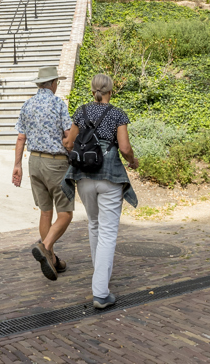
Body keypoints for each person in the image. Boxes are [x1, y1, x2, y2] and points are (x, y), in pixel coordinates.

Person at [62, 73, 139, 310]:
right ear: (110, 91)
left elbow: (68, 143)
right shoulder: (117, 113)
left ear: (93, 89)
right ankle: (101, 293)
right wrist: (133, 161)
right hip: (109, 176)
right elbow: (124, 147)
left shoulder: (80, 111)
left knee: (94, 225)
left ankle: (100, 278)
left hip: (83, 176)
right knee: (107, 232)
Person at [12, 65, 74, 282]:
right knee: (65, 213)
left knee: (45, 212)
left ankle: (53, 260)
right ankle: (45, 247)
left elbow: (21, 138)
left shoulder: (27, 105)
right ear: (53, 83)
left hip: (34, 163)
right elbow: (68, 137)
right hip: (55, 163)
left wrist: (17, 165)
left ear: (40, 84)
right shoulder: (58, 103)